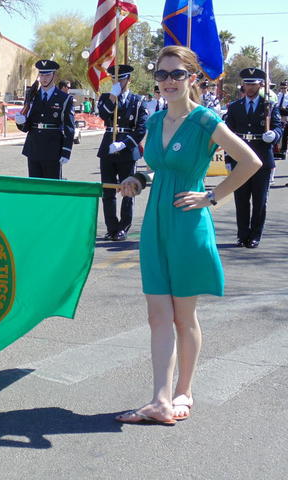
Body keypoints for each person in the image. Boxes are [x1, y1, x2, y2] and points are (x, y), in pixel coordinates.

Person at [115, 45, 261, 425]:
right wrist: (136, 178)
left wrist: (212, 196)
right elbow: (152, 166)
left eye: (177, 74)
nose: (168, 81)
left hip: (188, 224)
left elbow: (251, 161)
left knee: (183, 316)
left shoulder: (205, 120)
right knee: (157, 316)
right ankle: (160, 400)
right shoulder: (154, 120)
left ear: (192, 78)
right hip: (155, 225)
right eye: (162, 74)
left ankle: (184, 391)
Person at [224, 67, 282, 248]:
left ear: (261, 85)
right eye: (247, 84)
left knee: (259, 201)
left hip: (262, 157)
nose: (249, 88)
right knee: (241, 199)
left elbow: (279, 127)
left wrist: (274, 134)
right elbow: (227, 134)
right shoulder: (234, 107)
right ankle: (242, 234)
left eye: (253, 84)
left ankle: (255, 235)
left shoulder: (269, 106)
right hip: (240, 159)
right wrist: (227, 158)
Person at [96, 64, 148, 241]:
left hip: (127, 150)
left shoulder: (138, 101)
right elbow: (103, 115)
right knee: (108, 191)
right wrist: (112, 96)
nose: (117, 81)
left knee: (127, 190)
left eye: (121, 78)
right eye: (114, 79)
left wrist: (124, 144)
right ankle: (111, 227)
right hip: (108, 147)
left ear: (129, 79)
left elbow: (141, 129)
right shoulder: (106, 98)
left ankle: (123, 227)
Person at [14, 59, 75, 179]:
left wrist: (66, 151)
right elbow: (27, 127)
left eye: (47, 75)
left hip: (53, 149)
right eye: (41, 75)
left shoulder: (64, 98)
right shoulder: (32, 95)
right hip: (34, 147)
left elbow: (69, 127)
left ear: (54, 75)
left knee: (52, 189)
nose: (44, 78)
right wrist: (20, 122)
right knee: (35, 188)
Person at [277, 80, 288, 160]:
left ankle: (283, 150)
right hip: (278, 115)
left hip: (286, 115)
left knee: (285, 134)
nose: (283, 89)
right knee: (279, 133)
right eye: (282, 88)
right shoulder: (278, 95)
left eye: (285, 88)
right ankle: (277, 150)